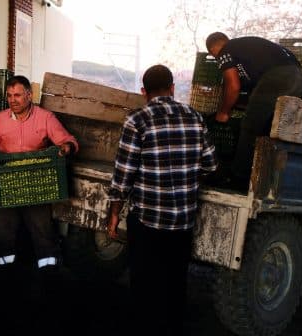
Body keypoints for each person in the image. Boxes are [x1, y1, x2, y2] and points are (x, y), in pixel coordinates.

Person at [106, 65, 217, 335]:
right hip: (183, 221)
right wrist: (187, 178)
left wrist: (114, 215)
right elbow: (211, 165)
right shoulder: (195, 117)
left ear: (144, 92)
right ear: (172, 88)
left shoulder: (137, 120)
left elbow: (123, 176)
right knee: (175, 283)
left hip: (147, 221)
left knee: (144, 284)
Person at [0, 75, 78, 304]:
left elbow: (67, 140)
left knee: (44, 234)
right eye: (10, 96)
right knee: (2, 234)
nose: (13, 100)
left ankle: (49, 280)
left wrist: (65, 148)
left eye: (18, 95)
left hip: (36, 186)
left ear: (29, 95)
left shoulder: (46, 118)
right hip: (7, 186)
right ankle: (5, 280)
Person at [205, 32, 302, 189]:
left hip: (279, 76)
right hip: (298, 77)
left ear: (213, 49)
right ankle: (264, 179)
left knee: (250, 126)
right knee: (267, 128)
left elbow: (233, 87)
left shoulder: (226, 49)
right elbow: (254, 97)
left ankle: (237, 177)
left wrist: (223, 112)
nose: (218, 61)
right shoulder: (249, 53)